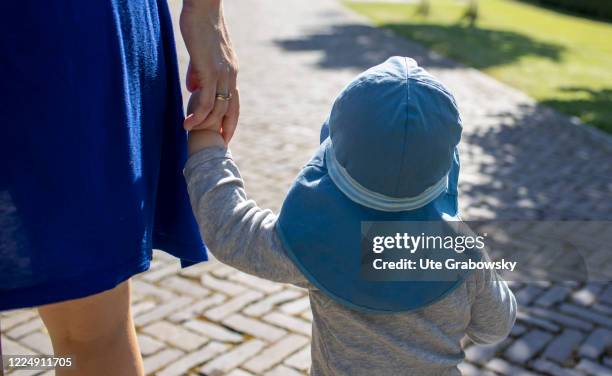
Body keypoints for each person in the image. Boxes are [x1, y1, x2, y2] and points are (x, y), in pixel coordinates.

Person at [184, 56, 517, 375]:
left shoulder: (316, 242)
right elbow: (494, 327)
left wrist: (208, 145)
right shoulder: (462, 255)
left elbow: (231, 230)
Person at [0, 0, 237, 374]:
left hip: (66, 25)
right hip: (72, 27)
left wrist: (207, 13)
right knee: (90, 335)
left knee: (91, 330)